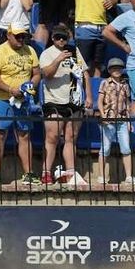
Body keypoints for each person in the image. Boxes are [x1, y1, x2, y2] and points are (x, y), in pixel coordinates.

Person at [0, 22, 41, 185]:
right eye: (18, 36)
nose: (21, 39)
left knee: (24, 135)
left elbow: (36, 73)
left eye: (23, 36)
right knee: (0, 135)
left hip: (22, 100)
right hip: (1, 99)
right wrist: (10, 89)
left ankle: (28, 172)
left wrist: (31, 84)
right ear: (8, 35)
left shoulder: (30, 50)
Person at [39, 24, 91, 186]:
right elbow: (46, 74)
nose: (61, 40)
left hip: (74, 100)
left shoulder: (74, 52)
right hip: (54, 100)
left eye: (64, 37)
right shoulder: (47, 53)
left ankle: (70, 172)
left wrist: (88, 95)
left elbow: (84, 74)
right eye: (58, 37)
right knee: (52, 137)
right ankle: (46, 172)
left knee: (70, 137)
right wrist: (58, 59)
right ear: (53, 38)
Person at [96, 57, 135, 185]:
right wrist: (103, 115)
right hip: (108, 120)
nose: (116, 70)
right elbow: (100, 101)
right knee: (105, 148)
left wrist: (129, 121)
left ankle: (129, 177)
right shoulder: (105, 83)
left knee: (126, 148)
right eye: (114, 68)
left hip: (123, 120)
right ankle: (102, 176)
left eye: (119, 68)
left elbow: (128, 104)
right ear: (109, 70)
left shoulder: (125, 85)